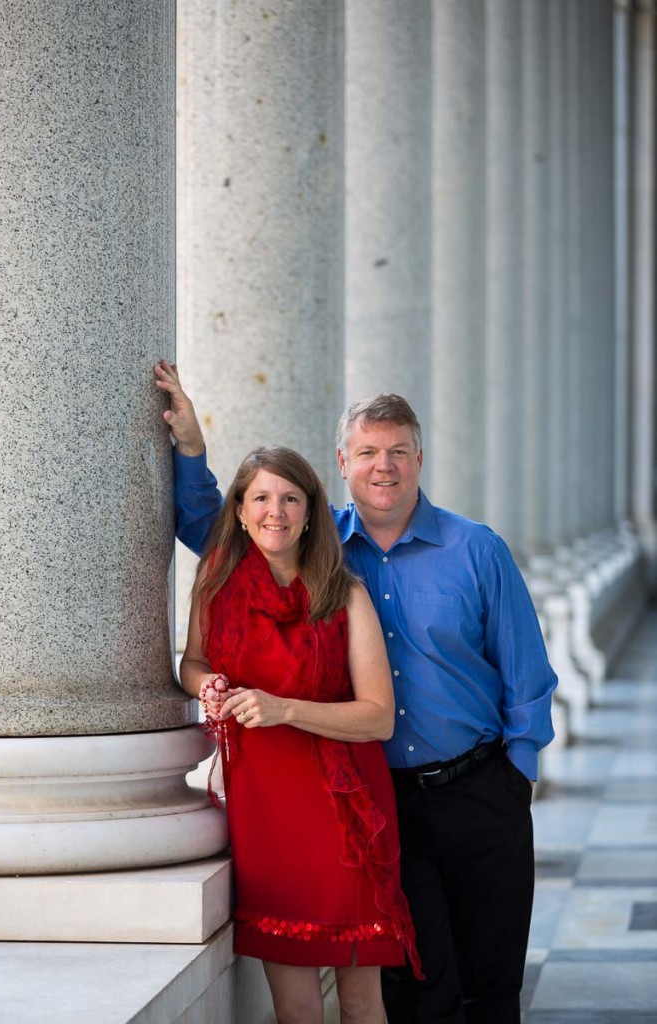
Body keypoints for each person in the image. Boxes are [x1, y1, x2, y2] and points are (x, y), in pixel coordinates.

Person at [155, 360, 558, 1024]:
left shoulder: (477, 550)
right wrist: (191, 446)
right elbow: (218, 523)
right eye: (368, 452)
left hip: (479, 789)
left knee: (492, 979)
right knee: (415, 990)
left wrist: (516, 778)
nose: (384, 466)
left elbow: (527, 675)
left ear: (420, 459)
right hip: (378, 798)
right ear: (342, 462)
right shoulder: (320, 549)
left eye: (398, 451)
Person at [178, 442, 421, 1024]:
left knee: (361, 1000)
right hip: (265, 811)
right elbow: (191, 663)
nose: (275, 511)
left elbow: (378, 717)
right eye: (260, 497)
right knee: (295, 1007)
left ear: (312, 511)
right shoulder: (215, 583)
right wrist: (206, 685)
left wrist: (284, 709)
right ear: (238, 509)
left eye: (290, 498)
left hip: (344, 814)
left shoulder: (347, 594)